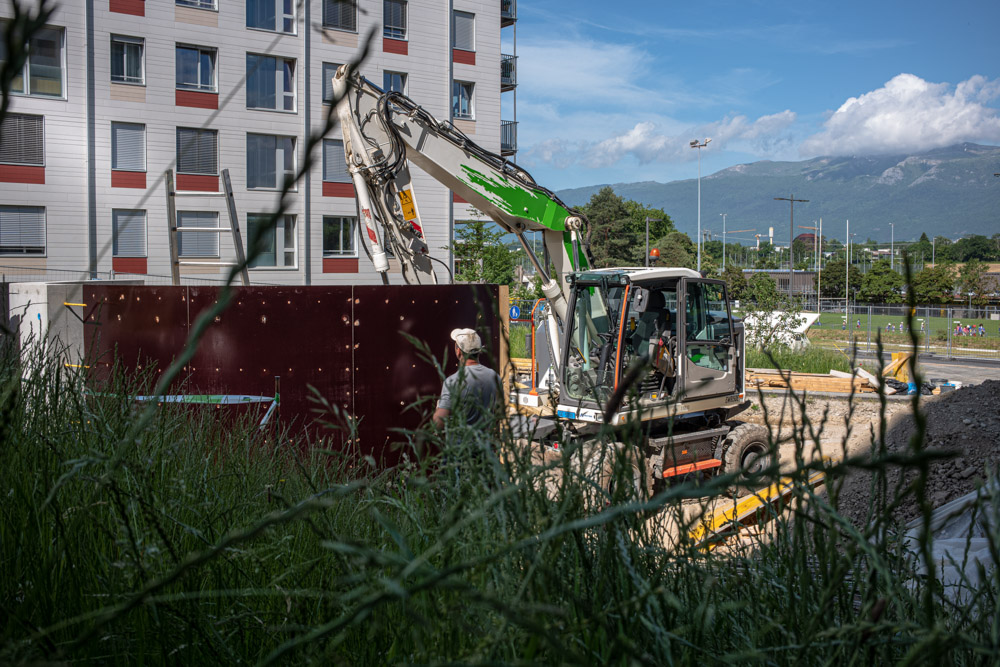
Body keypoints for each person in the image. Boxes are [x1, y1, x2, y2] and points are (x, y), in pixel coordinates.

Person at [433, 328, 501, 428]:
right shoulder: (495, 377)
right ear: (479, 350)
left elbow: (438, 423)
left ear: (459, 351)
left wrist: (439, 409)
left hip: (460, 443)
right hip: (485, 443)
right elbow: (499, 414)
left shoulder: (452, 382)